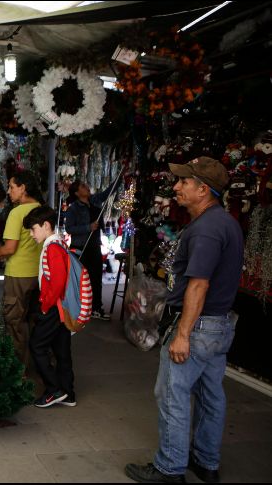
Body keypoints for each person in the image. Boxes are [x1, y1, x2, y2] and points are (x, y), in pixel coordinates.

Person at [125, 157, 243, 484]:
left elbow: (199, 284)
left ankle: (170, 468)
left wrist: (183, 334)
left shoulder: (207, 229)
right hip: (218, 325)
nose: (176, 188)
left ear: (203, 190)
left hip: (199, 325)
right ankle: (206, 462)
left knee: (172, 394)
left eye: (183, 183)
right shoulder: (224, 222)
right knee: (210, 395)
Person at [0, 171, 42, 367]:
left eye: (12, 187)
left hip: (18, 276)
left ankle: (17, 372)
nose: (8, 191)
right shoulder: (41, 209)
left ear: (23, 188)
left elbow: (9, 248)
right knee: (34, 322)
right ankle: (35, 367)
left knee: (15, 323)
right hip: (38, 275)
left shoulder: (17, 213)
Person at [23, 205, 76, 408]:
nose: (31, 234)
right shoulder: (59, 244)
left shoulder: (52, 247)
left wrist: (45, 306)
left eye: (33, 229)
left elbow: (57, 282)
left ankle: (54, 389)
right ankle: (68, 392)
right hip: (61, 307)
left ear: (46, 225)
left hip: (53, 307)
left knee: (36, 345)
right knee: (62, 349)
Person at [64, 176, 122, 320]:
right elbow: (69, 228)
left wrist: (121, 176)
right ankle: (78, 308)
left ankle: (96, 308)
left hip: (94, 246)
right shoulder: (74, 209)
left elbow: (109, 191)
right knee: (80, 279)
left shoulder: (95, 200)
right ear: (77, 193)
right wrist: (87, 227)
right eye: (83, 186)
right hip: (80, 247)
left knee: (96, 278)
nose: (87, 187)